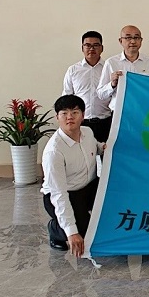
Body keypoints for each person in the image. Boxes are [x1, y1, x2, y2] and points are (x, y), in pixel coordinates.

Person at [41, 95, 104, 257]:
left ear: (83, 115)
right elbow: (59, 194)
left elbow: (96, 147)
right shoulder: (54, 152)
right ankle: (56, 229)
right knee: (81, 232)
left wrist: (103, 147)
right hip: (67, 194)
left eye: (75, 112)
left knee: (112, 210)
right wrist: (71, 232)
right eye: (64, 113)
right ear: (57, 117)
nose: (70, 117)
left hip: (90, 186)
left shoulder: (88, 132)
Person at [62, 31, 112, 142]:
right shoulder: (73, 70)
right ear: (82, 48)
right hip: (81, 123)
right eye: (88, 45)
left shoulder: (109, 68)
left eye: (96, 45)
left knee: (106, 151)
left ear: (102, 48)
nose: (91, 49)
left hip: (106, 122)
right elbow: (67, 98)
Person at [97, 25, 149, 111]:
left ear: (141, 40)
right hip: (119, 112)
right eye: (128, 38)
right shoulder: (111, 63)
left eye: (136, 38)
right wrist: (112, 84)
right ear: (121, 41)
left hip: (144, 112)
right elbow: (101, 94)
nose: (133, 41)